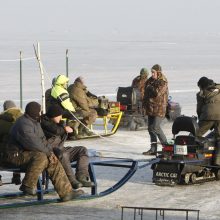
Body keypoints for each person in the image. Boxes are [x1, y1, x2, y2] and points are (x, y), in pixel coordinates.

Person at [0, 101, 83, 202]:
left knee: (52, 159)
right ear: (34, 111)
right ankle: (28, 185)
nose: (40, 113)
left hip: (25, 153)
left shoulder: (35, 122)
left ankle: (66, 192)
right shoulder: (23, 124)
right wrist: (48, 153)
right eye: (39, 111)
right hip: (13, 155)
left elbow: (42, 140)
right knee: (41, 156)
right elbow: (32, 143)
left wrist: (50, 152)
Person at [41, 104, 93, 189]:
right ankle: (71, 180)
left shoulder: (59, 123)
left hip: (61, 150)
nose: (61, 117)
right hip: (50, 153)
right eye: (59, 115)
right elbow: (55, 131)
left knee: (82, 150)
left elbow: (71, 136)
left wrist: (71, 131)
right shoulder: (44, 123)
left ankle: (82, 176)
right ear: (53, 115)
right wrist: (64, 129)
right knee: (64, 154)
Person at [142, 64, 168, 155]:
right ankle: (153, 149)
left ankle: (167, 148)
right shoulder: (150, 81)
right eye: (151, 72)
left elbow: (157, 93)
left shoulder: (162, 82)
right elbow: (145, 94)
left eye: (154, 72)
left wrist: (150, 88)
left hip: (159, 109)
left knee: (155, 127)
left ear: (158, 72)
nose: (152, 74)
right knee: (150, 129)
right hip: (150, 108)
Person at [0, 100, 23, 185]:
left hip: (4, 157)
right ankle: (16, 176)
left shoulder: (1, 121)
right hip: (22, 159)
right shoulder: (23, 119)